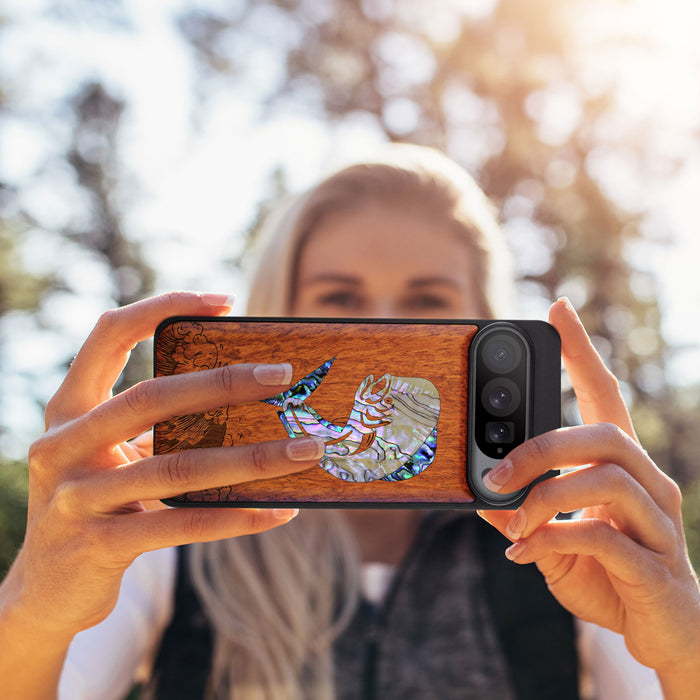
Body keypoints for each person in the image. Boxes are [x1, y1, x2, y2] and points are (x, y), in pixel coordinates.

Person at [0, 145, 698, 700]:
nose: (384, 330)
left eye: (427, 302)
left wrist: (685, 648)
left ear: (486, 324)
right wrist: (34, 607)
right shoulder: (171, 535)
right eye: (340, 299)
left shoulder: (567, 544)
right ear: (278, 314)